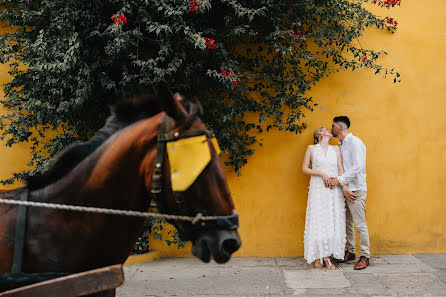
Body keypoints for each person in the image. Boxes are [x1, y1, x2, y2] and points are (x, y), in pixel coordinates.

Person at [302, 127, 346, 269]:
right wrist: (321, 174)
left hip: (333, 189)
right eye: (326, 129)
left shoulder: (336, 149)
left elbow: (340, 167)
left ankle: (326, 257)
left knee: (331, 220)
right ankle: (317, 255)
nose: (329, 131)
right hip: (318, 188)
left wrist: (338, 181)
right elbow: (304, 168)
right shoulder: (311, 149)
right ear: (320, 134)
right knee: (318, 220)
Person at [329, 116, 370, 270]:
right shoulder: (341, 144)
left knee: (360, 224)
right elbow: (343, 167)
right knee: (347, 223)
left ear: (340, 127)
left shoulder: (355, 142)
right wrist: (343, 185)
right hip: (345, 189)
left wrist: (340, 180)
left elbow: (359, 166)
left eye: (333, 126)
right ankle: (350, 252)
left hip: (357, 189)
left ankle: (365, 255)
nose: (331, 128)